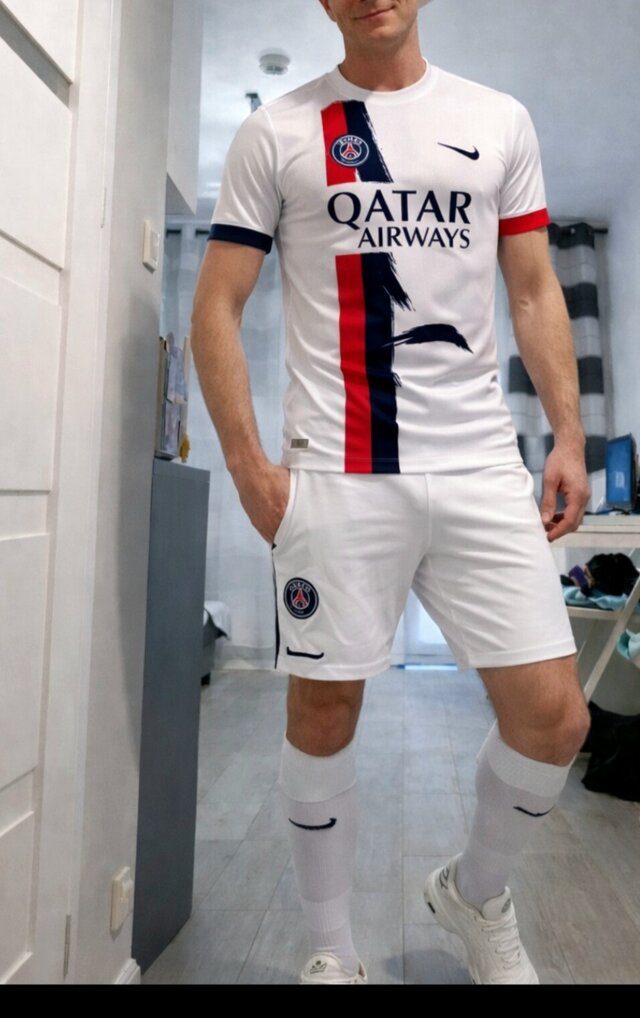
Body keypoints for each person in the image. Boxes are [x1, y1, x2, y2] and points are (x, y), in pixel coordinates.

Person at [190, 0, 592, 986]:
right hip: (337, 468)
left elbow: (533, 288)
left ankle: (474, 895)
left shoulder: (497, 119)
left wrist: (569, 435)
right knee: (325, 710)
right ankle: (331, 949)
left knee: (555, 717)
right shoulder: (277, 130)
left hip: (480, 464)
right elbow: (216, 303)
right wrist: (248, 466)